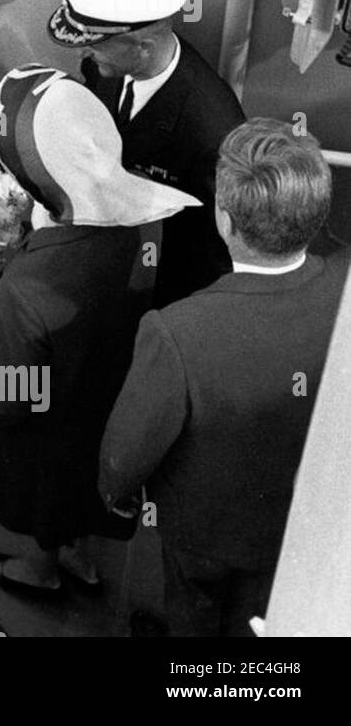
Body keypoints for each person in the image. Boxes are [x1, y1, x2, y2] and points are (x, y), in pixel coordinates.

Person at [0, 67, 198, 596]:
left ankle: (40, 572)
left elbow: (12, 396)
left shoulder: (31, 283)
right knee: (86, 487)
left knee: (48, 492)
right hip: (110, 401)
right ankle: (82, 561)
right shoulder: (145, 218)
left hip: (49, 425)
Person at [100, 119, 348, 637]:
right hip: (299, 523)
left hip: (204, 533)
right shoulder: (344, 287)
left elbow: (126, 453)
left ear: (226, 222)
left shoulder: (177, 332)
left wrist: (117, 496)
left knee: (193, 619)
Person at [47, 0, 245, 307]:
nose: (83, 55)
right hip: (112, 257)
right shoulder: (107, 65)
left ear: (142, 47)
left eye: (94, 46)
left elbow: (217, 250)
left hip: (166, 283)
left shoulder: (214, 130)